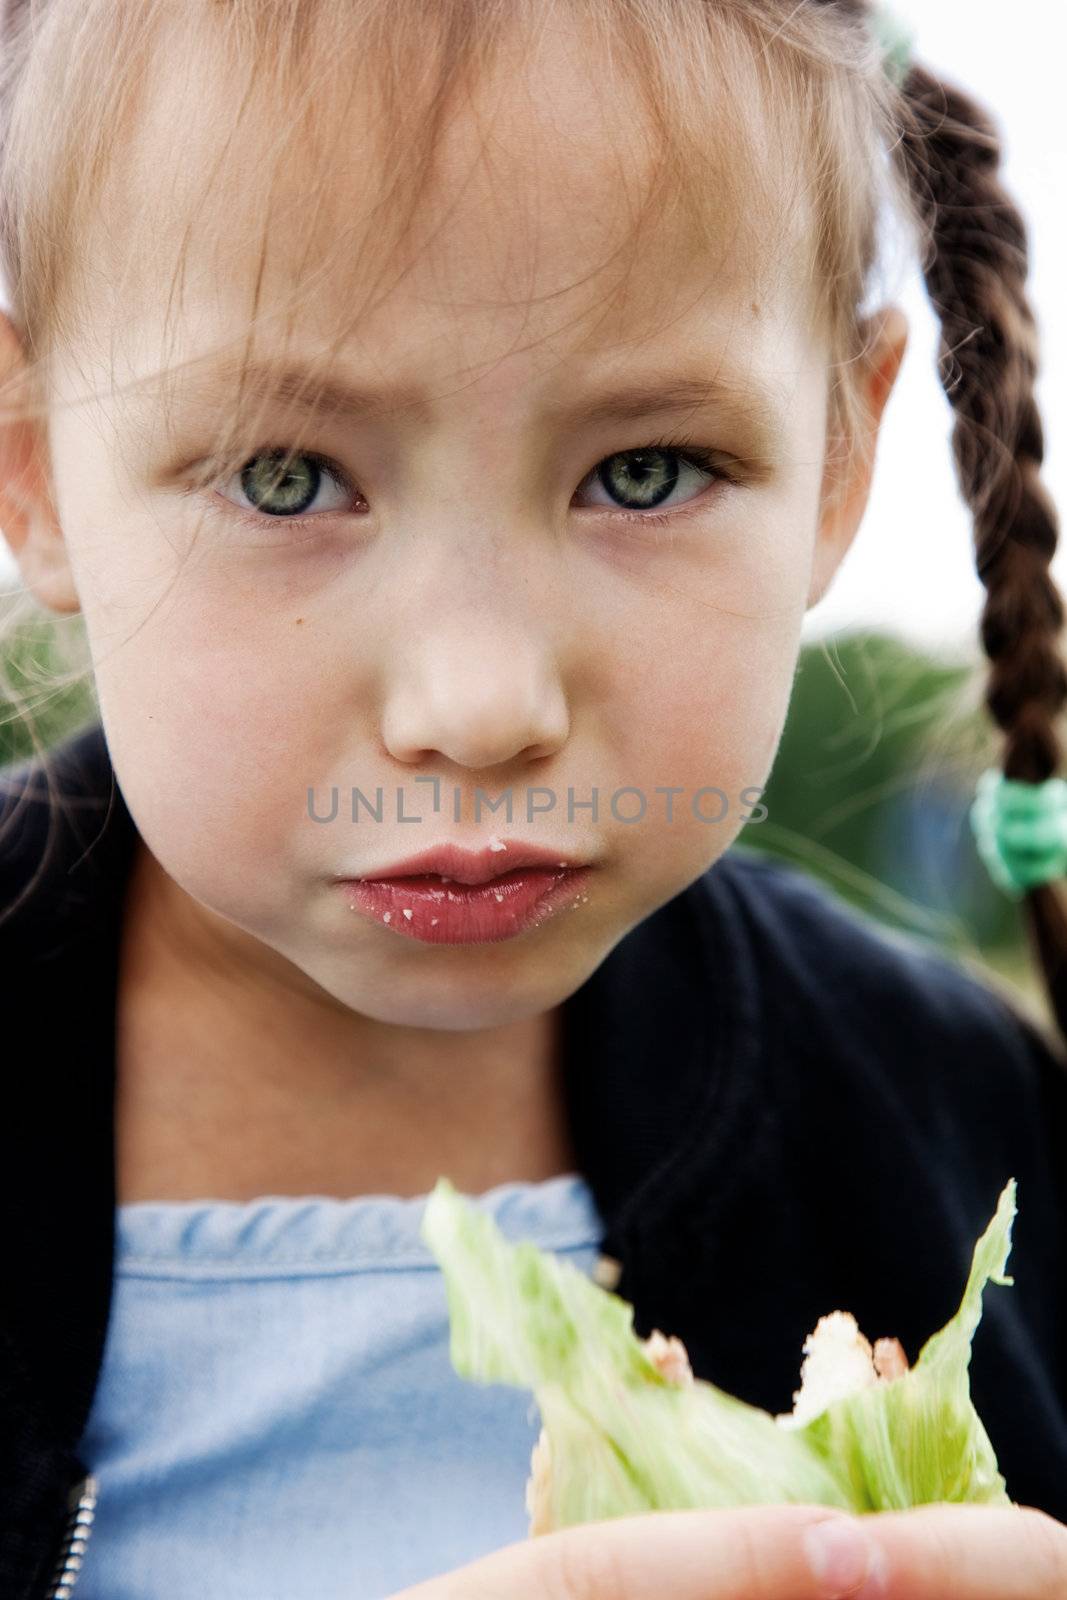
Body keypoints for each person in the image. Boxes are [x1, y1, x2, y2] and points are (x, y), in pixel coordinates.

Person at [0, 0, 1065, 1597]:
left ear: (842, 456)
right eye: (289, 478)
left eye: (645, 472)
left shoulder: (949, 1123)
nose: (482, 708)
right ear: (36, 474)